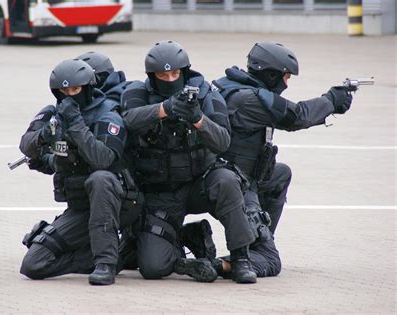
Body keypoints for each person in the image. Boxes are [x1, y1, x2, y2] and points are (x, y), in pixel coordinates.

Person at [201, 41, 353, 278]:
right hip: (234, 185)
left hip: (228, 177)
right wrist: (331, 100)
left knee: (280, 174)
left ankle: (259, 238)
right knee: (271, 262)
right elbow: (296, 116)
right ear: (271, 75)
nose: (286, 83)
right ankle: (220, 263)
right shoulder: (250, 99)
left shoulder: (231, 87)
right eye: (285, 77)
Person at [120, 40, 257, 284]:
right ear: (152, 76)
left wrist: (198, 120)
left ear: (184, 72)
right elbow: (129, 120)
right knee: (152, 268)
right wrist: (165, 108)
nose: (170, 79)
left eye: (175, 74)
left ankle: (241, 257)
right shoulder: (137, 93)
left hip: (199, 184)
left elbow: (223, 141)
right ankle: (186, 240)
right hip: (161, 193)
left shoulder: (206, 94)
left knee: (226, 180)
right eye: (163, 74)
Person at [18, 59, 136, 285]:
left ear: (88, 88)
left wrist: (76, 124)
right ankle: (110, 256)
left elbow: (103, 160)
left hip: (119, 203)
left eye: (76, 89)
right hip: (81, 207)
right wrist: (45, 135)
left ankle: (105, 264)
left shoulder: (107, 113)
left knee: (101, 178)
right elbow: (26, 145)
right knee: (33, 264)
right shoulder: (54, 112)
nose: (70, 96)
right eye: (64, 91)